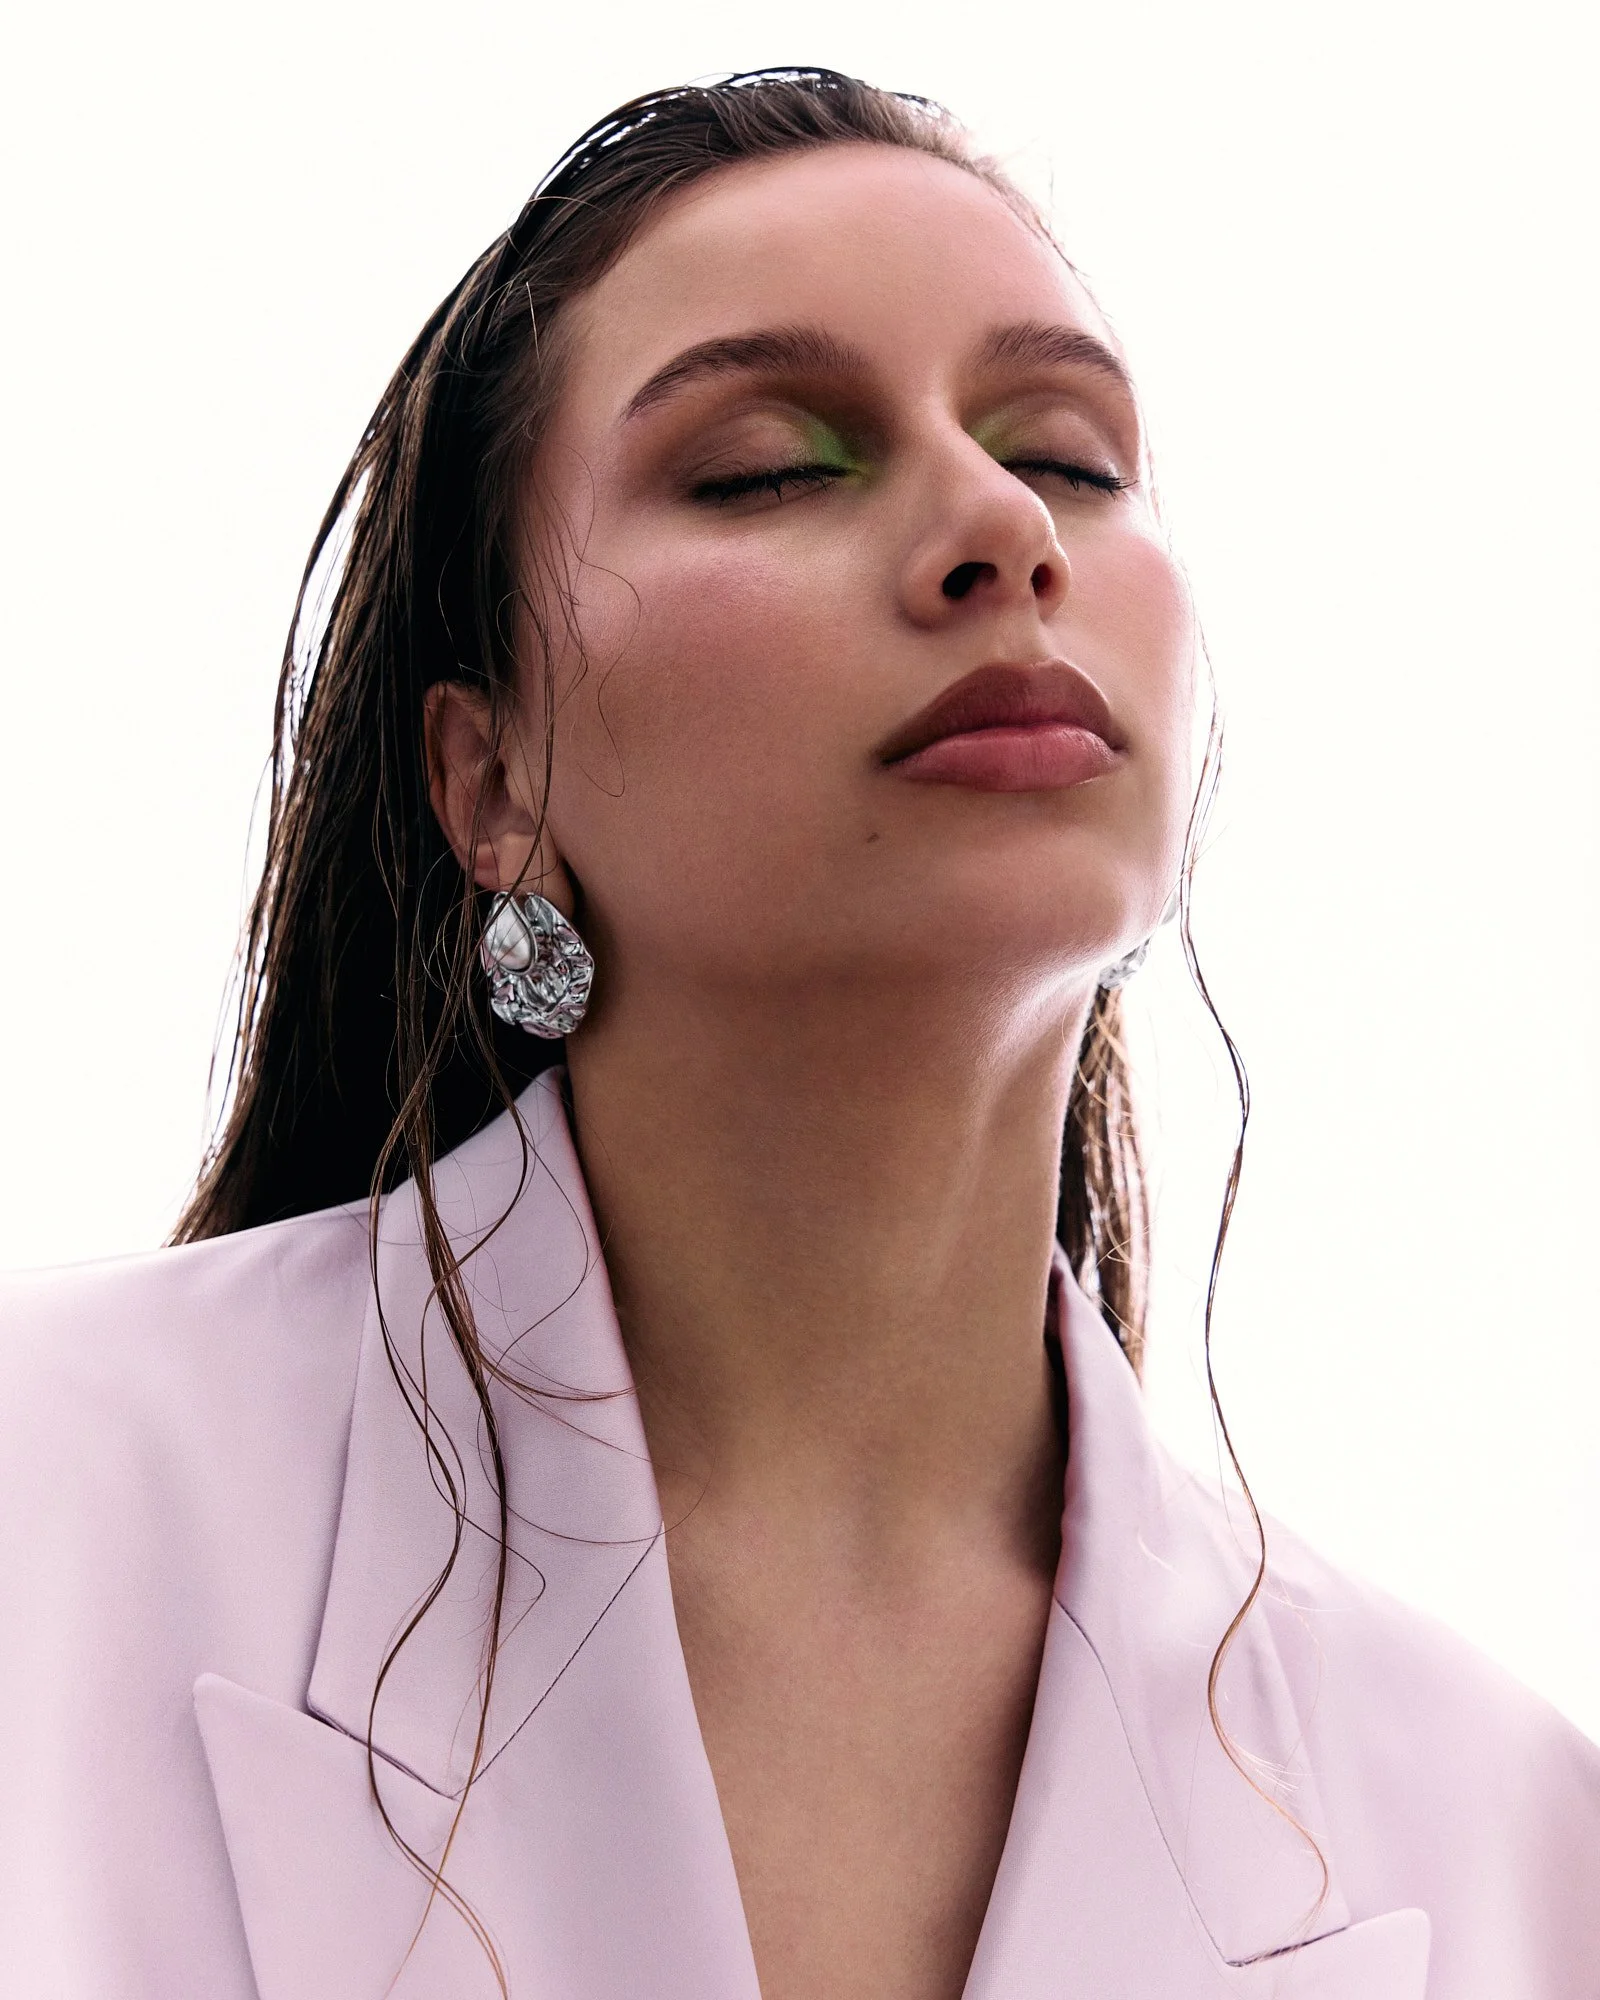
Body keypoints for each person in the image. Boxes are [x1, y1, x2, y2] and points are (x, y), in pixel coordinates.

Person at [0, 68, 1594, 2000]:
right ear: (487, 775)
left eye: (1073, 457)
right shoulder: (46, 1515)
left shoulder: (1509, 1838)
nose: (1002, 528)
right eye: (767, 464)